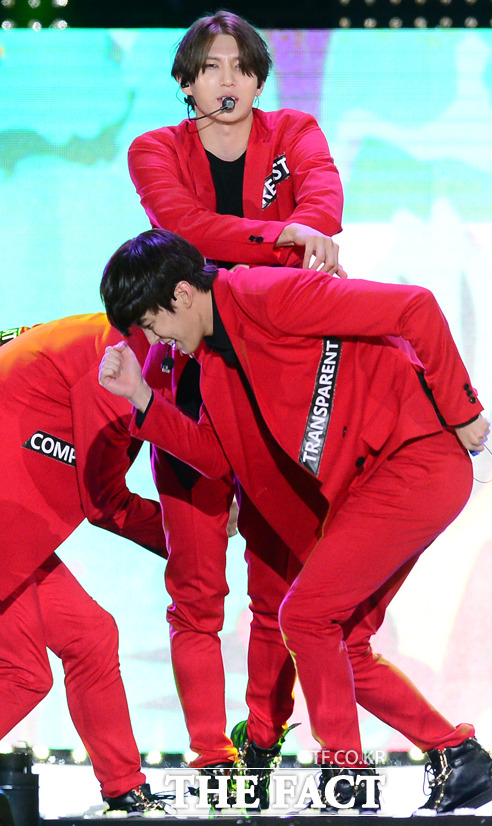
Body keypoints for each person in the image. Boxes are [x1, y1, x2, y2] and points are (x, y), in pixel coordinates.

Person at [98, 229, 492, 813]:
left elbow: (414, 307)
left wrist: (462, 409)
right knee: (342, 644)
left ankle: (346, 784)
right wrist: (143, 400)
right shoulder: (213, 364)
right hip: (378, 484)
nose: (153, 341)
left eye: (150, 323)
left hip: (417, 460)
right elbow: (218, 457)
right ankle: (459, 757)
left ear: (183, 294)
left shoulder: (268, 296)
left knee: (306, 617)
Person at [127, 9, 345, 790]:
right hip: (187, 382)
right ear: (186, 83)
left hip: (279, 382)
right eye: (211, 67)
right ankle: (208, 758)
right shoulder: (155, 148)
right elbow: (185, 229)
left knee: (279, 587)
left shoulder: (296, 131)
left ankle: (261, 738)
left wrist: (308, 227)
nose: (228, 80)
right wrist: (285, 238)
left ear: (259, 79)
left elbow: (323, 199)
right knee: (196, 593)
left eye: (241, 66)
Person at [0, 315, 173, 816]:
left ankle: (125, 790)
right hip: (8, 522)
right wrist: (186, 536)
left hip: (15, 526)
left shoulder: (114, 343)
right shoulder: (117, 362)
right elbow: (103, 502)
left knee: (91, 636)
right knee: (23, 672)